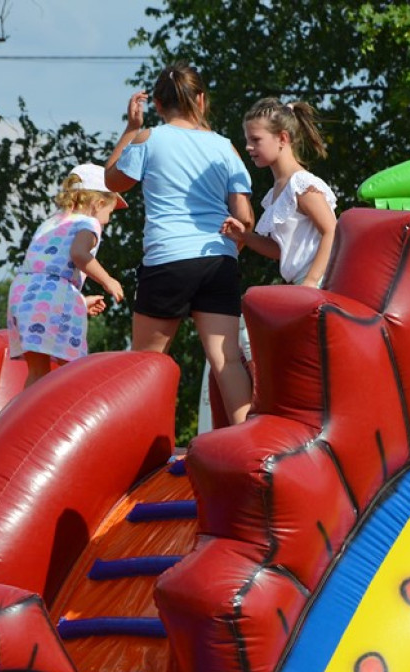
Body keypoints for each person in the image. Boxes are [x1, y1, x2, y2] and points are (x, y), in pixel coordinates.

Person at [104, 62, 255, 425]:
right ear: (201, 100)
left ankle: (141, 454)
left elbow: (112, 182)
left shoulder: (149, 139)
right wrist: (232, 252)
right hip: (217, 259)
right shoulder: (226, 148)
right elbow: (244, 217)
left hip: (167, 260)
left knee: (146, 362)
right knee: (227, 360)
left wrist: (130, 129)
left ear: (157, 104)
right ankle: (251, 447)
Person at [7, 163, 126, 388]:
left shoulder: (51, 222)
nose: (108, 220)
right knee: (72, 369)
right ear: (98, 203)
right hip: (54, 293)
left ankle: (26, 419)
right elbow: (79, 254)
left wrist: (78, 302)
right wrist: (108, 280)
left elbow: (45, 272)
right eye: (109, 212)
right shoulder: (88, 223)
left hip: (23, 294)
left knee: (37, 372)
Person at [220, 97, 337, 287]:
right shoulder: (277, 191)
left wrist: (311, 281)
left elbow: (332, 231)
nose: (248, 147)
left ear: (283, 138)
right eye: (247, 140)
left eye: (256, 140)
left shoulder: (301, 183)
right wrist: (245, 236)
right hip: (304, 284)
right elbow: (282, 250)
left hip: (320, 283)